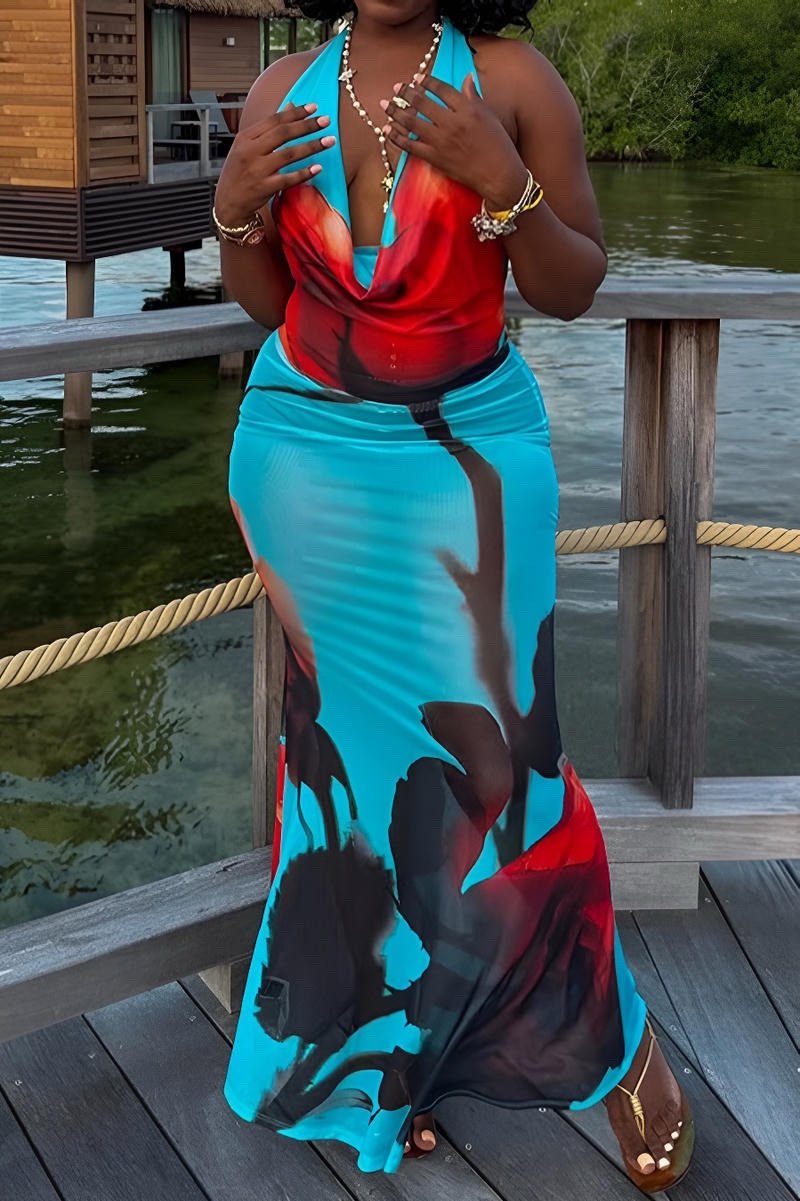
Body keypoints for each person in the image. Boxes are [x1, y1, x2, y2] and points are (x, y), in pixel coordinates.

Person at [213, 1, 695, 1192]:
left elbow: (573, 286)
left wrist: (505, 186)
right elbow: (270, 304)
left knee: (507, 772)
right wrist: (231, 206)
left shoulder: (512, 80)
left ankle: (614, 1044)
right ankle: (381, 1066)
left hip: (466, 468)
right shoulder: (281, 87)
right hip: (306, 461)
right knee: (345, 780)